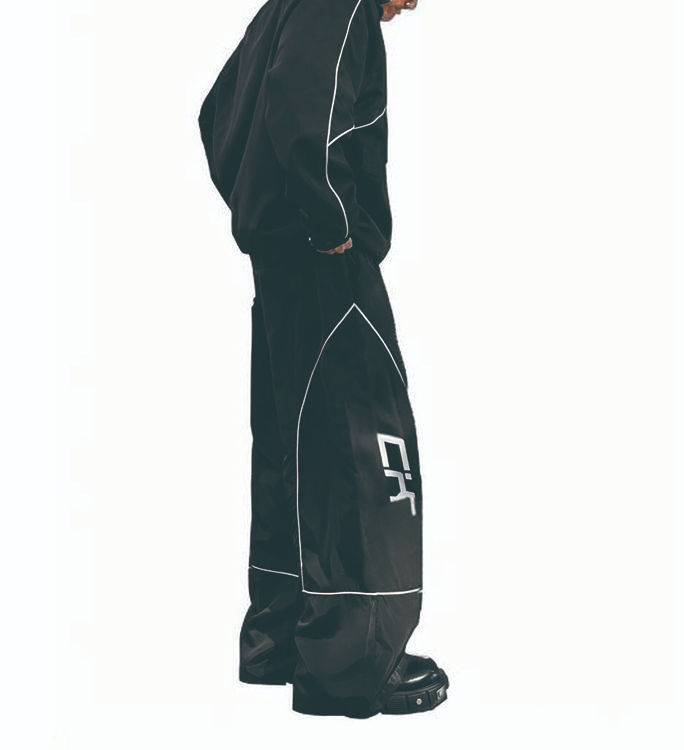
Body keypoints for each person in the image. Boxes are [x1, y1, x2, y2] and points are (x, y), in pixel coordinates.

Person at [199, 0, 447, 717]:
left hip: (282, 261)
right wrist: (329, 218)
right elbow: (302, 109)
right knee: (362, 446)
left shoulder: (287, 7)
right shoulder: (340, 4)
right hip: (324, 258)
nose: (414, 4)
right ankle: (351, 662)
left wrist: (262, 212)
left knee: (293, 447)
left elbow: (217, 112)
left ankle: (283, 638)